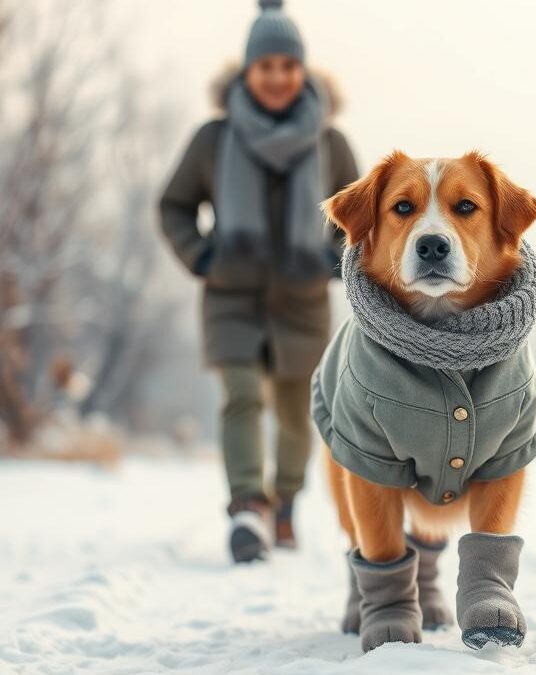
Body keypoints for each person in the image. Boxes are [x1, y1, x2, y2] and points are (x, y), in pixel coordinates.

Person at [158, 0, 359, 563]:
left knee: (298, 411)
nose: (276, 77)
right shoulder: (214, 139)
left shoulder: (331, 143)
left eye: (287, 66)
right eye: (264, 66)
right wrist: (203, 258)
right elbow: (174, 205)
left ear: (303, 72)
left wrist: (331, 261)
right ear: (246, 71)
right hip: (233, 294)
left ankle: (286, 505)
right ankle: (248, 506)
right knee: (242, 396)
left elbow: (364, 215)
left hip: (302, 299)